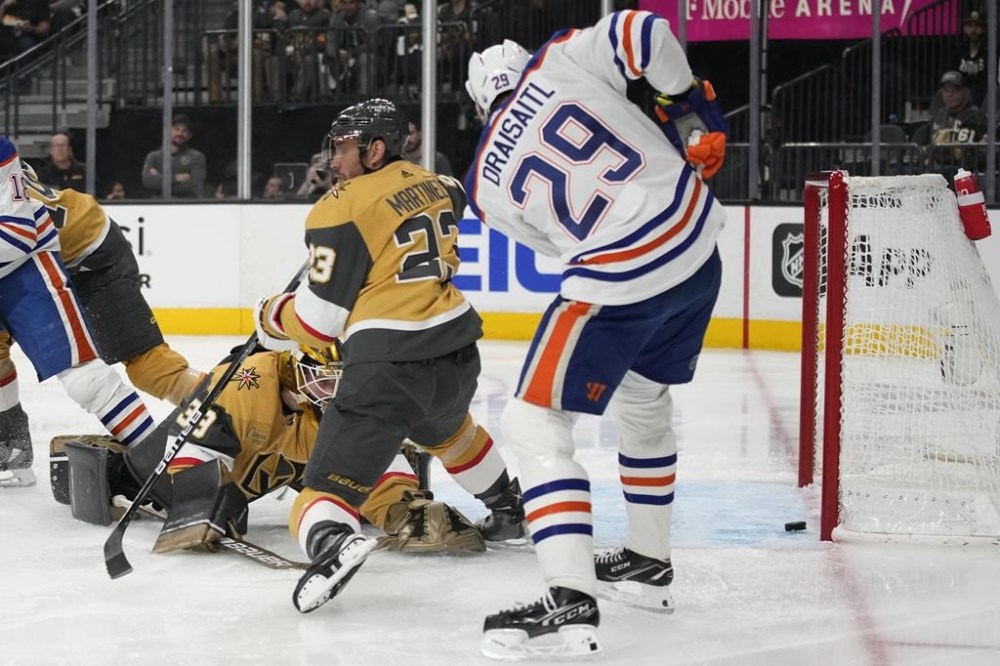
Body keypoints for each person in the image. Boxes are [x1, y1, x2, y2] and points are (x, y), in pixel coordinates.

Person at [463, 10, 727, 658]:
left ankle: (570, 597)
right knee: (643, 400)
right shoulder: (558, 58)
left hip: (622, 277)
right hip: (697, 246)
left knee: (532, 422)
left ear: (478, 106)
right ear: (523, 66)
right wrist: (684, 104)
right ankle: (647, 562)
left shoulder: (481, 186)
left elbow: (556, 246)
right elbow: (648, 34)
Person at [254, 98, 525, 614]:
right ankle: (509, 510)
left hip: (387, 366)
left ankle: (333, 543)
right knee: (451, 433)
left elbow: (319, 322)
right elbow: (434, 207)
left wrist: (271, 314)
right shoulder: (441, 185)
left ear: (376, 150)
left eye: (344, 148)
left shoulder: (338, 208)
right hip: (456, 353)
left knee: (319, 495)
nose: (334, 159)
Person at [51, 344, 489, 556]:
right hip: (212, 461)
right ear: (297, 370)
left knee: (364, 465)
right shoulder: (246, 384)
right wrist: (202, 502)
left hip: (283, 463)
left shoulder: (344, 405)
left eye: (345, 381)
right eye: (325, 381)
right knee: (150, 483)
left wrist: (404, 510)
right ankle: (111, 462)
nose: (336, 395)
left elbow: (376, 461)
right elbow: (191, 451)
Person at [0, 137, 160, 487]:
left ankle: (162, 465)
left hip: (24, 266)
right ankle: (12, 451)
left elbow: (18, 234)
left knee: (84, 378)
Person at [141, 114, 208, 199]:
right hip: (159, 205)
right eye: (177, 129)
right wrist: (176, 178)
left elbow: (195, 186)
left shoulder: (197, 157)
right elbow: (148, 182)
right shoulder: (153, 157)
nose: (180, 133)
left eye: (185, 131)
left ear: (189, 136)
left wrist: (160, 180)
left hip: (186, 205)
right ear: (167, 132)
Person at [954, 10, 987, 107]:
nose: (973, 30)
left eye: (977, 26)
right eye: (969, 26)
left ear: (984, 29)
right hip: (961, 100)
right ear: (964, 28)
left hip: (983, 102)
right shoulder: (959, 50)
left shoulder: (989, 52)